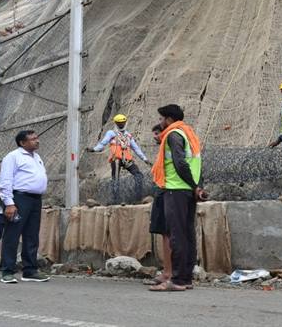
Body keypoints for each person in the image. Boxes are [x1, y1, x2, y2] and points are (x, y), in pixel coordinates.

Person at [150, 104, 206, 292]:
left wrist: (193, 185)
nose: (160, 122)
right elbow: (196, 162)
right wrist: (196, 187)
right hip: (187, 191)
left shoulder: (173, 135)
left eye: (161, 119)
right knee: (187, 235)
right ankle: (185, 278)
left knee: (177, 236)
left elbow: (180, 163)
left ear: (169, 120)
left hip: (175, 189)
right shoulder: (189, 134)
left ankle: (177, 281)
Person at [0, 130, 50, 283]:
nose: (37, 141)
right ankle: (7, 270)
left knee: (32, 235)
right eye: (33, 139)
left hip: (35, 199)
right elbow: (5, 181)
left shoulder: (37, 157)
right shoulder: (13, 157)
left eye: (37, 137)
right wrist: (9, 203)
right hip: (19, 198)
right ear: (22, 143)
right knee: (12, 234)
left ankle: (30, 270)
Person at [86, 114, 151, 203]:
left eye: (123, 123)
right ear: (116, 123)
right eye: (119, 123)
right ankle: (116, 200)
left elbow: (136, 148)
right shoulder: (111, 133)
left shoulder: (128, 135)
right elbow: (103, 143)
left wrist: (145, 159)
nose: (121, 125)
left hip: (127, 159)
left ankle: (137, 198)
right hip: (116, 159)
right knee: (116, 179)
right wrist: (94, 149)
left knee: (139, 175)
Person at [146, 124, 173, 286]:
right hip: (165, 189)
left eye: (158, 133)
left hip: (169, 190)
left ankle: (169, 273)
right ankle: (169, 272)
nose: (155, 136)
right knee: (166, 233)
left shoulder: (172, 145)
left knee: (168, 233)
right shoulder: (166, 148)